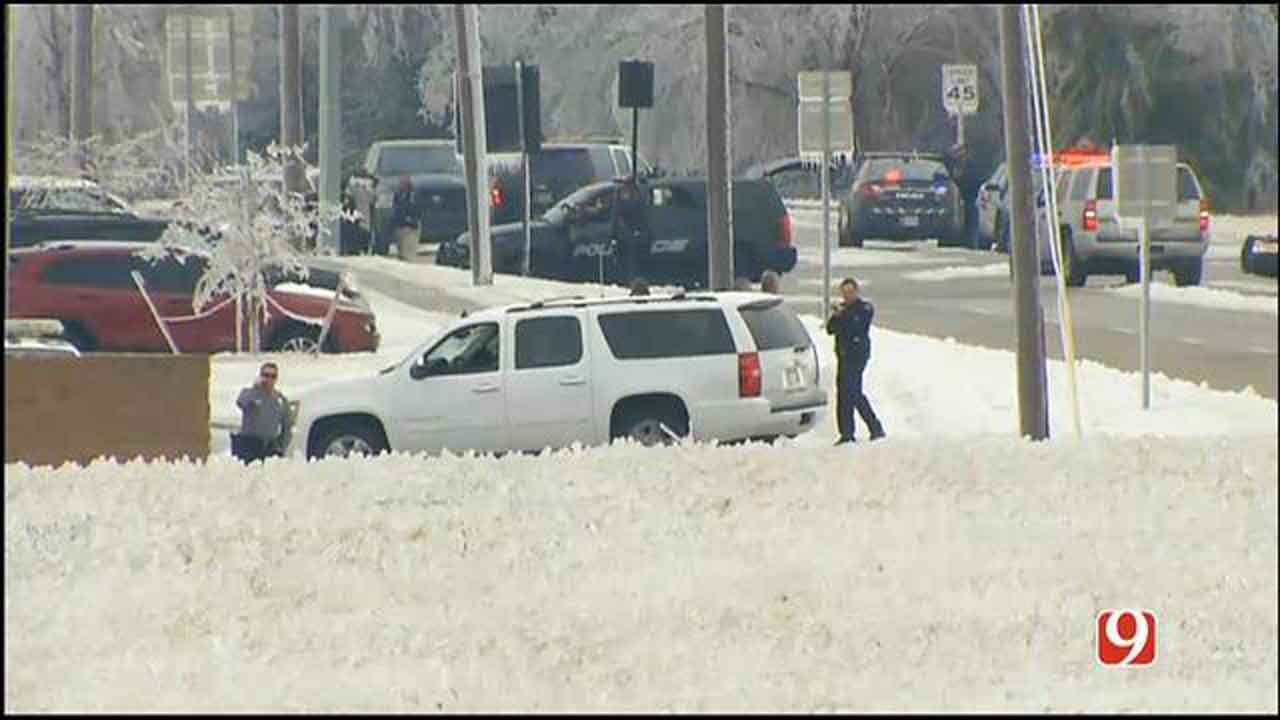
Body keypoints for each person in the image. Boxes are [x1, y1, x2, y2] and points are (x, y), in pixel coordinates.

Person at [826, 277, 885, 445]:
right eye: (844, 293)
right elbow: (830, 329)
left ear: (856, 292)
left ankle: (875, 427)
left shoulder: (864, 308)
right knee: (843, 393)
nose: (847, 296)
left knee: (853, 391)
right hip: (843, 356)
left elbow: (856, 326)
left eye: (850, 292)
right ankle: (846, 432)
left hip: (857, 355)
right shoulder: (843, 310)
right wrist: (837, 315)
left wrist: (842, 315)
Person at [232, 362, 294, 464]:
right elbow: (241, 402)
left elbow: (287, 426)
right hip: (249, 445)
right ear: (260, 376)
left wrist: (281, 447)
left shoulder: (280, 400)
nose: (269, 379)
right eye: (266, 375)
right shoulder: (250, 393)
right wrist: (255, 389)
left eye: (273, 376)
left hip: (270, 447)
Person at [389, 177, 418, 259]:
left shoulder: (412, 196)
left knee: (408, 251)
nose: (401, 185)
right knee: (401, 249)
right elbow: (395, 208)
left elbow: (415, 210)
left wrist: (410, 219)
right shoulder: (397, 195)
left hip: (409, 227)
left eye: (403, 184)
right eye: (401, 183)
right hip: (399, 224)